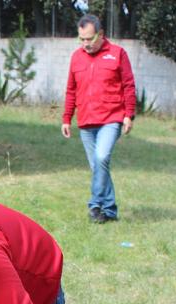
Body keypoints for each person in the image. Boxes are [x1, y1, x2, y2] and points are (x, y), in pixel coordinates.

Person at [61, 13, 136, 224]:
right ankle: (110, 210)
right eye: (81, 39)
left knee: (102, 158)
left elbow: (129, 85)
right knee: (97, 167)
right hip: (85, 121)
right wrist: (67, 118)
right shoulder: (76, 57)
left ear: (101, 35)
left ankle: (95, 204)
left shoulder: (117, 53)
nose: (85, 44)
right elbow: (71, 90)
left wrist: (129, 114)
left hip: (111, 118)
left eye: (89, 39)